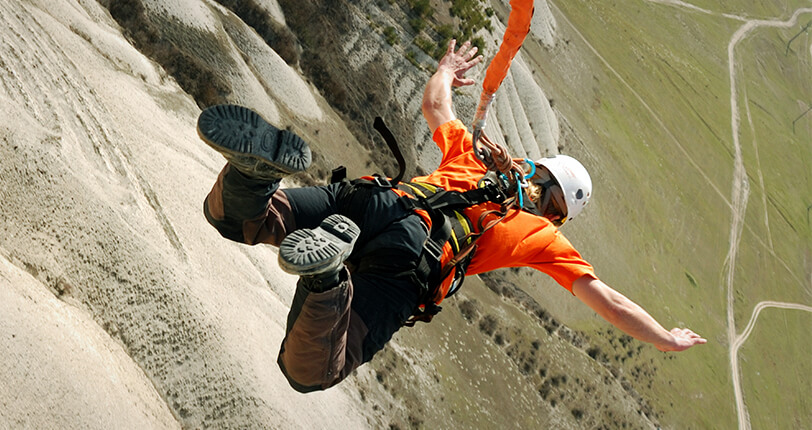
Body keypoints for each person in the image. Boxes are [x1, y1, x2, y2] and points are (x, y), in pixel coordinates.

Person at [199, 40, 706, 393]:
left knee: (247, 220)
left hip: (378, 201)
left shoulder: (474, 154)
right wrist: (663, 336)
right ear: (558, 214)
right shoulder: (539, 234)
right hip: (412, 261)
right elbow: (610, 302)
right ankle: (328, 280)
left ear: (539, 168)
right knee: (308, 371)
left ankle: (254, 171)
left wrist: (445, 69)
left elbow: (435, 103)